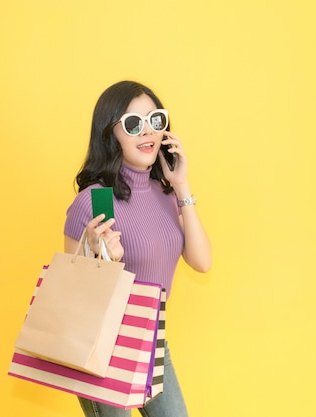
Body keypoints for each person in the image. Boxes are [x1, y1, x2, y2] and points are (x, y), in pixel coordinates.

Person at [64, 80, 212, 417]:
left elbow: (202, 262)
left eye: (155, 120)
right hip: (101, 347)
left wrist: (181, 185)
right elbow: (70, 292)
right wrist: (101, 259)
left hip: (152, 340)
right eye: (133, 124)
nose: (147, 132)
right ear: (110, 134)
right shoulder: (93, 201)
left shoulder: (166, 195)